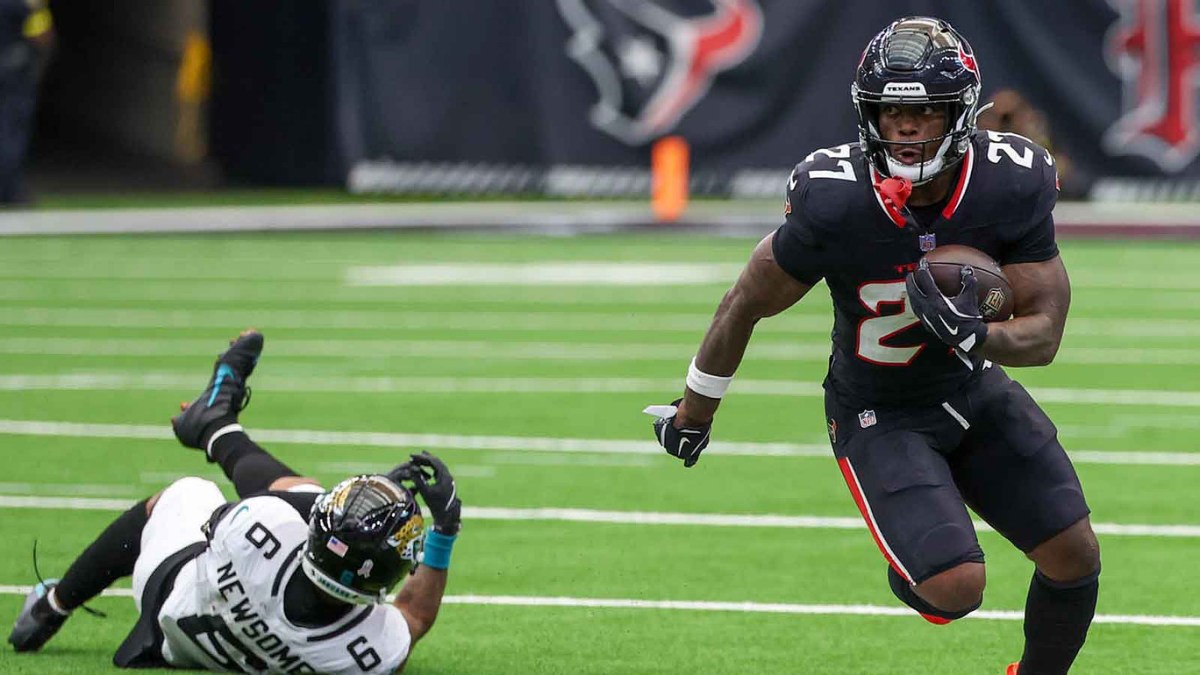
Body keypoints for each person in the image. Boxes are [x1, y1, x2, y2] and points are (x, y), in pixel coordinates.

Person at [646, 17, 1099, 675]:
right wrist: (694, 412)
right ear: (869, 115)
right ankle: (916, 559)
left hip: (970, 386)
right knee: (955, 587)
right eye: (891, 111)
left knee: (1075, 554)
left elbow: (1045, 331)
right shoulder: (835, 199)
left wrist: (978, 334)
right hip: (877, 410)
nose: (907, 127)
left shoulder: (1010, 180)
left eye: (924, 112)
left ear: (959, 114)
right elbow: (746, 299)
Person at [8, 329, 463, 673]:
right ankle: (214, 424)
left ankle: (52, 606)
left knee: (188, 493)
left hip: (166, 604)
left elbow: (287, 504)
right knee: (303, 495)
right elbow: (416, 614)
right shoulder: (367, 654)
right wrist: (442, 531)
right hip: (193, 654)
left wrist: (353, 504)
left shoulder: (259, 531)